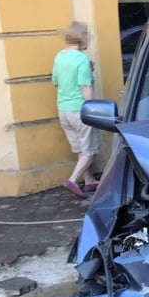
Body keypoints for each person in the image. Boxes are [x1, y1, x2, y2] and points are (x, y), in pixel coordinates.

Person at [52, 22, 100, 199]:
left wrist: (88, 68)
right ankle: (72, 180)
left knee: (80, 148)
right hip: (80, 110)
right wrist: (93, 109)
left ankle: (89, 181)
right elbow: (85, 86)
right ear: (81, 38)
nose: (89, 40)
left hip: (63, 111)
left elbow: (56, 81)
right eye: (88, 36)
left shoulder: (60, 56)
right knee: (89, 151)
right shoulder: (81, 59)